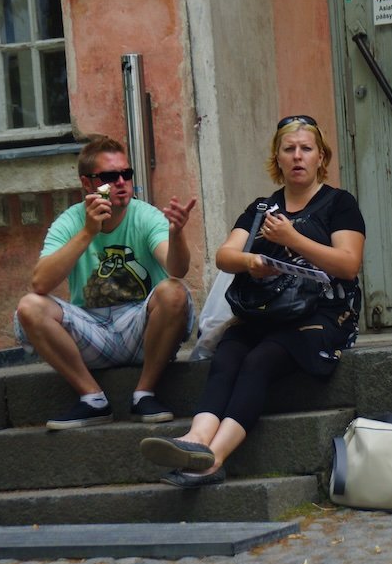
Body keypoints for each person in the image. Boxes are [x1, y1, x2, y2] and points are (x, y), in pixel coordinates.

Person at [139, 115, 365, 488]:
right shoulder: (262, 208)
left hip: (321, 317)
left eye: (306, 149)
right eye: (288, 149)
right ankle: (195, 440)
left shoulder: (339, 204)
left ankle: (213, 460)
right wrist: (252, 262)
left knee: (259, 360)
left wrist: (293, 238)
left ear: (321, 157)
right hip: (266, 313)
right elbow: (225, 256)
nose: (297, 157)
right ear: (276, 158)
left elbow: (348, 264)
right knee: (228, 355)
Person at [14, 135, 197, 430]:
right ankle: (92, 399)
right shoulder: (71, 222)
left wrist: (177, 235)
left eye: (126, 174)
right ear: (88, 184)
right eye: (111, 177)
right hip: (91, 332)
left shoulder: (146, 215)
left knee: (174, 291)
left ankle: (144, 394)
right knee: (30, 307)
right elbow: (40, 283)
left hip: (141, 329)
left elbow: (177, 269)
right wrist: (88, 232)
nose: (122, 182)